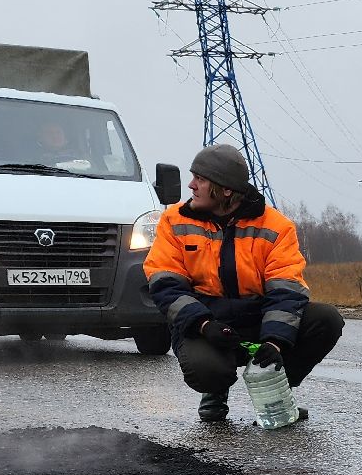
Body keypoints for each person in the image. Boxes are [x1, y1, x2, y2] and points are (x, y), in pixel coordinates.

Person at [143, 144, 343, 422]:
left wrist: (274, 342)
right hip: (206, 323)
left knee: (326, 319)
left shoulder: (276, 227)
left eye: (200, 179)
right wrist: (203, 324)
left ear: (225, 190)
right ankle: (215, 390)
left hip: (258, 319)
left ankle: (276, 391)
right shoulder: (173, 221)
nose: (191, 185)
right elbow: (165, 283)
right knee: (207, 371)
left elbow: (286, 289)